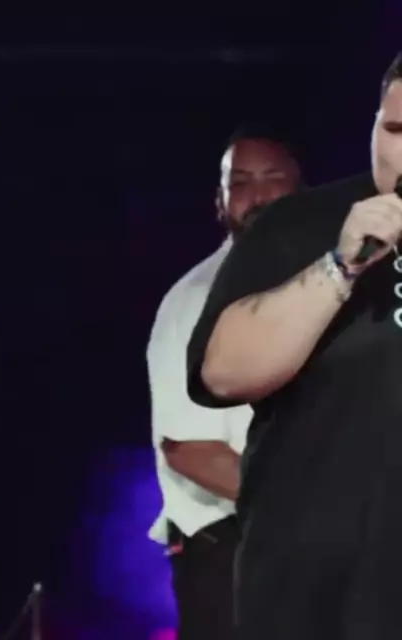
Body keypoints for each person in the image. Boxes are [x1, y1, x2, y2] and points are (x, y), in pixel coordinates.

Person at [186, 53, 402, 639]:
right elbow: (222, 374)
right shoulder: (295, 226)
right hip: (314, 601)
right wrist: (341, 266)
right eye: (394, 129)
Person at [147, 124, 302, 639]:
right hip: (228, 551)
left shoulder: (327, 287)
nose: (258, 196)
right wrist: (307, 501)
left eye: (273, 179)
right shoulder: (195, 300)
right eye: (240, 184)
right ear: (219, 203)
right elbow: (190, 449)